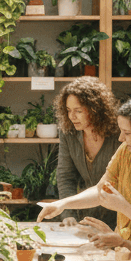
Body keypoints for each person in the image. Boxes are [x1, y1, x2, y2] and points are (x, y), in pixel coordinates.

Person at [37, 96, 131, 249]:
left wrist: (124, 207)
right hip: (123, 254)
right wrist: (63, 204)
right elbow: (101, 191)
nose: (120, 138)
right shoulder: (126, 151)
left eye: (127, 133)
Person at [52, 77, 120, 227]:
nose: (72, 116)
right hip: (87, 217)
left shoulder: (118, 133)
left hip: (120, 217)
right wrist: (68, 214)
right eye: (68, 110)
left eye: (78, 111)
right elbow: (65, 175)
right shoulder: (68, 132)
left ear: (95, 109)